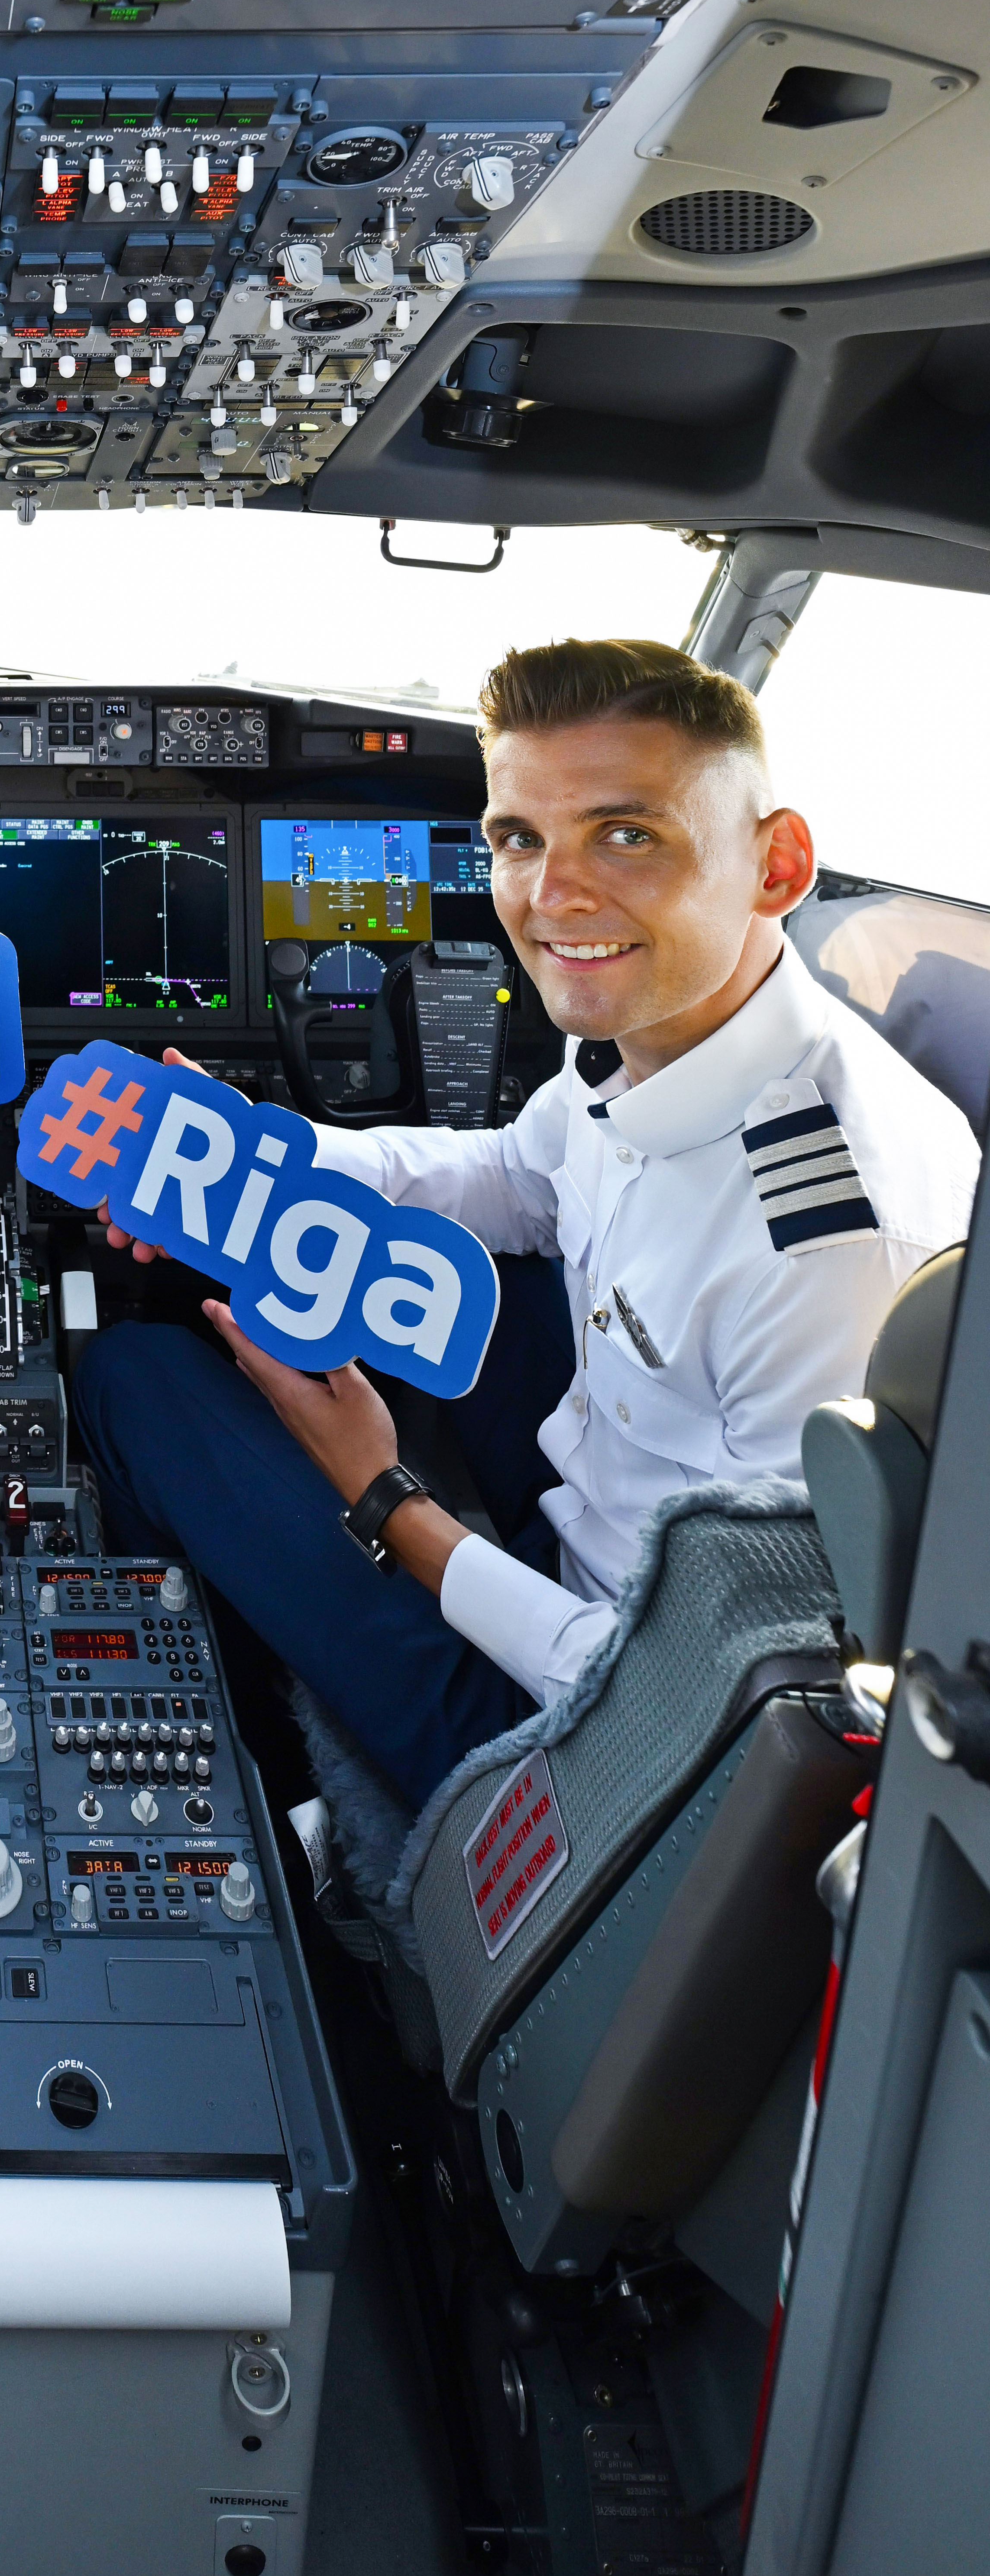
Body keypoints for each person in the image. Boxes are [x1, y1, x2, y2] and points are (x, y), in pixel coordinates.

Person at [74, 638, 981, 1813]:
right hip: (602, 1504)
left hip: (588, 1723)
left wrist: (385, 1495)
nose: (556, 897)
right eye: (520, 838)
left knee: (134, 1373)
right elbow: (517, 1175)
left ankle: (289, 1800)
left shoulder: (828, 1255)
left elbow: (709, 1697)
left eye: (628, 834)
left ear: (778, 863)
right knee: (278, 1254)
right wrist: (251, 1162)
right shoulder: (661, 1025)